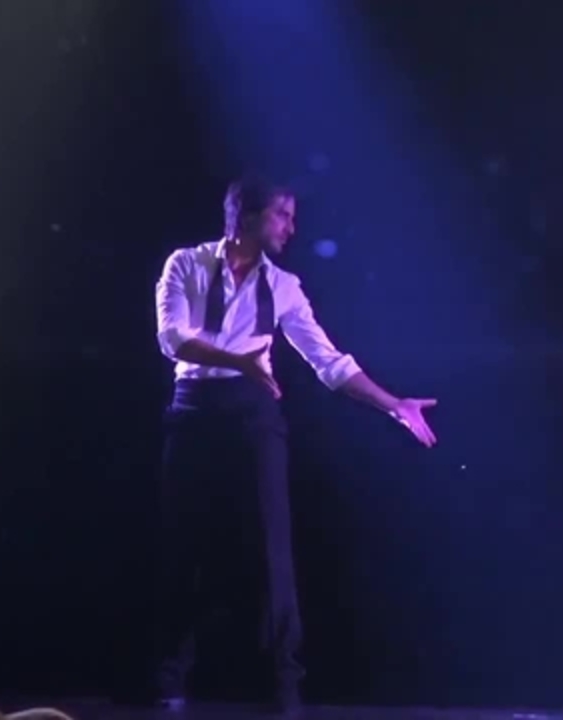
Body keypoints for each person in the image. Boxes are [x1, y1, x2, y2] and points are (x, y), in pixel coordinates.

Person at [152, 176, 438, 714]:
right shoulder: (186, 264)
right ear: (247, 215)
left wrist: (393, 404)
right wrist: (237, 360)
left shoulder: (283, 286)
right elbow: (172, 338)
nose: (291, 226)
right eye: (282, 214)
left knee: (271, 551)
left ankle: (284, 688)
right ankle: (168, 682)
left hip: (253, 414)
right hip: (194, 410)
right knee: (185, 545)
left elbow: (329, 362)